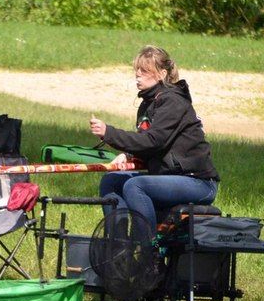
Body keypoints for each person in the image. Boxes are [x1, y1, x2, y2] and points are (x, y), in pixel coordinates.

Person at [88, 45, 218, 235]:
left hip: (198, 182)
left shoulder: (173, 101)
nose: (137, 75)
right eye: (137, 71)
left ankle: (147, 251)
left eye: (144, 71)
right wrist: (128, 154)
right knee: (111, 181)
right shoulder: (148, 104)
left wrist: (109, 133)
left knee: (136, 186)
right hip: (169, 177)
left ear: (162, 73)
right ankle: (118, 249)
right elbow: (146, 143)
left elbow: (154, 141)